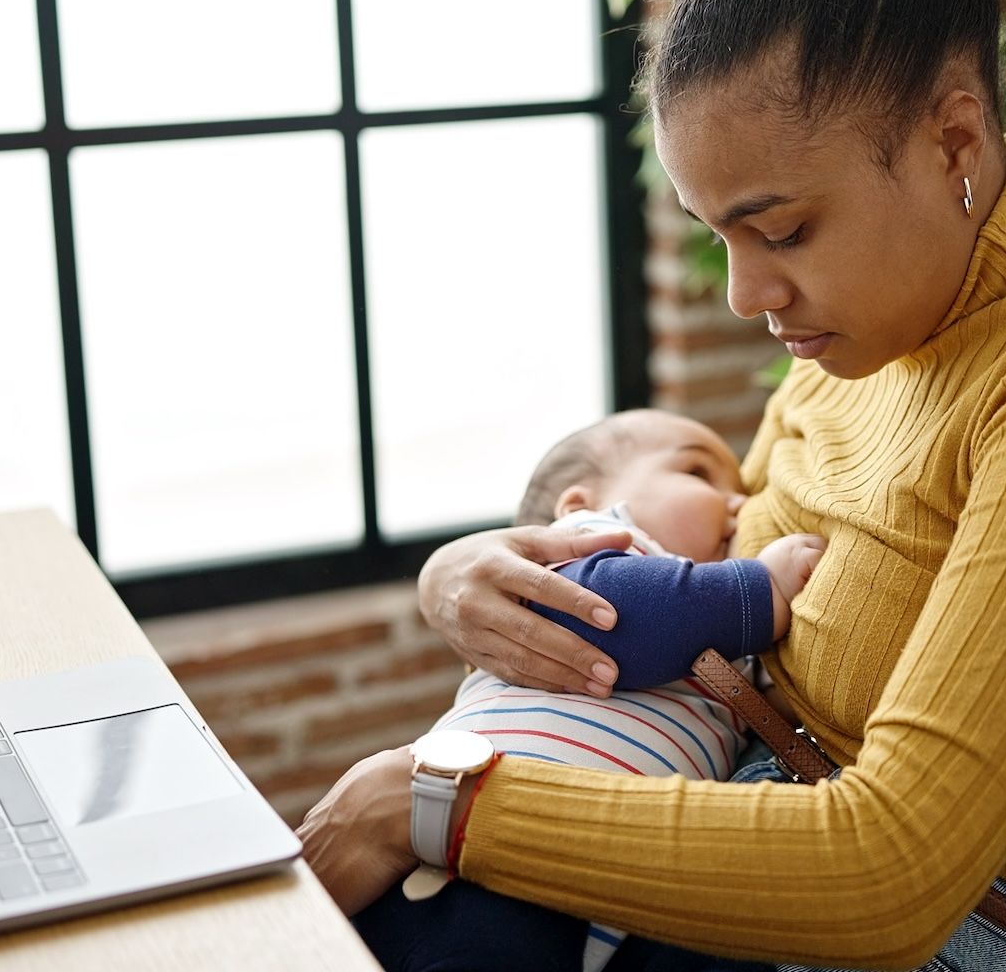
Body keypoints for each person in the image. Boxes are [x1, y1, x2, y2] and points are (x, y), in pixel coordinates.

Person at [297, 0, 1006, 968]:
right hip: (737, 807)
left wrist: (433, 804)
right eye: (718, 234)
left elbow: (892, 876)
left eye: (783, 230)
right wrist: (463, 576)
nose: (744, 292)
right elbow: (715, 557)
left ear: (952, 140)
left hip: (943, 927)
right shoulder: (866, 334)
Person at [350, 408, 826, 972]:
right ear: (580, 505)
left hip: (592, 887)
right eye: (698, 473)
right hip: (475, 860)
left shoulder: (725, 637)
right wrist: (761, 588)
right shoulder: (582, 556)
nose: (739, 503)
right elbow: (621, 617)